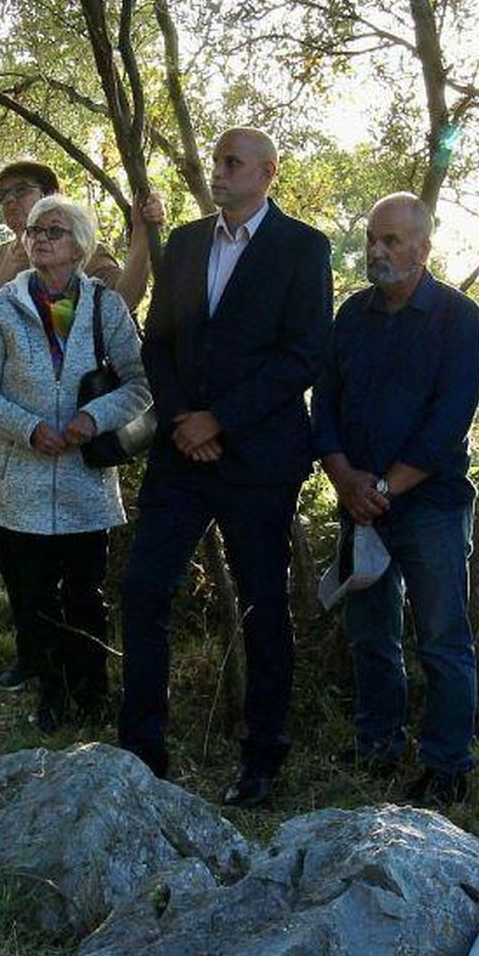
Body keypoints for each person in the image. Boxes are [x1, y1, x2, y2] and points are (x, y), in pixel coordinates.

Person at [118, 127, 333, 807]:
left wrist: (223, 419)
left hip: (259, 457)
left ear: (268, 172)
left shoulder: (303, 248)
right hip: (182, 454)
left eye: (231, 162)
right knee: (144, 588)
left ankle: (262, 760)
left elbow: (304, 355)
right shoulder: (183, 242)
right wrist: (185, 419)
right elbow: (158, 345)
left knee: (263, 605)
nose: (217, 171)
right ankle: (143, 751)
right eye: (215, 161)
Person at [0, 159, 165, 690]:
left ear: (80, 246)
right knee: (30, 586)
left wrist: (93, 418)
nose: (39, 237)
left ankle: (87, 690)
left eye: (53, 230)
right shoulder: (4, 302)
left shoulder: (103, 306)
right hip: (15, 469)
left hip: (83, 478)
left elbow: (140, 382)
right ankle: (47, 687)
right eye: (34, 230)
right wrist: (26, 427)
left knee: (84, 592)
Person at [311, 193, 479, 807]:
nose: (378, 251)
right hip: (357, 502)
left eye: (391, 241)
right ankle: (378, 746)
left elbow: (449, 421)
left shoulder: (457, 319)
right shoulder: (351, 315)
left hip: (429, 505)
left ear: (424, 248)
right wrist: (344, 479)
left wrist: (384, 488)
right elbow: (324, 401)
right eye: (372, 239)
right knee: (371, 635)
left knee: (442, 637)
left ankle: (446, 765)